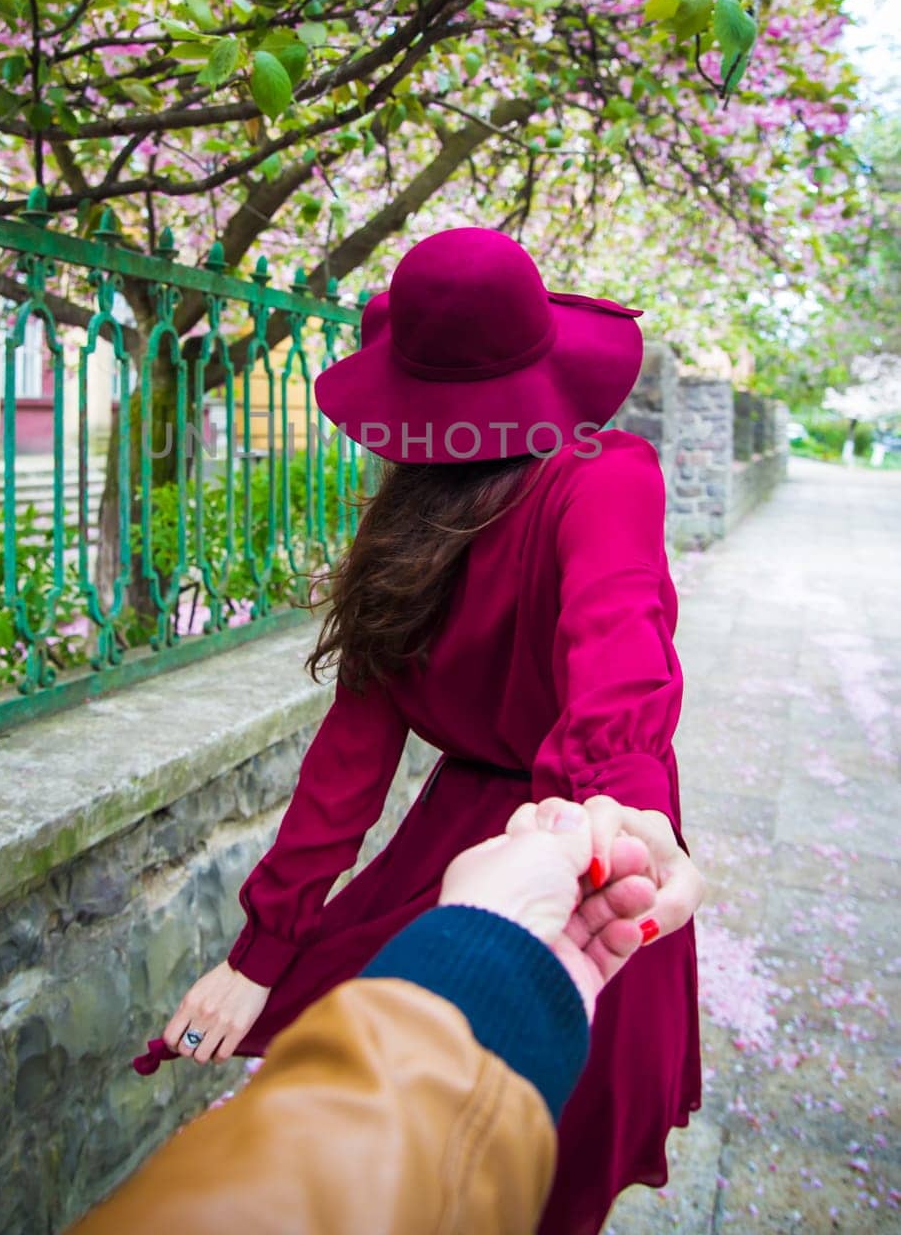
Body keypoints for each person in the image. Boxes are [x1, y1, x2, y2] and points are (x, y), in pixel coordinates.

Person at [165, 227, 702, 1235]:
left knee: (422, 1149)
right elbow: (613, 636)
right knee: (532, 1160)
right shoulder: (602, 472)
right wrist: (620, 804)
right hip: (574, 859)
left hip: (516, 841)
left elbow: (608, 633)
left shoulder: (407, 528)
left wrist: (263, 949)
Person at [76, 800, 704, 1235]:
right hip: (511, 878)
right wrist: (259, 955)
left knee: (540, 1184)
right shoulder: (383, 598)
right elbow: (349, 759)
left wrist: (620, 824)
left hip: (550, 879)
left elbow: (616, 688)